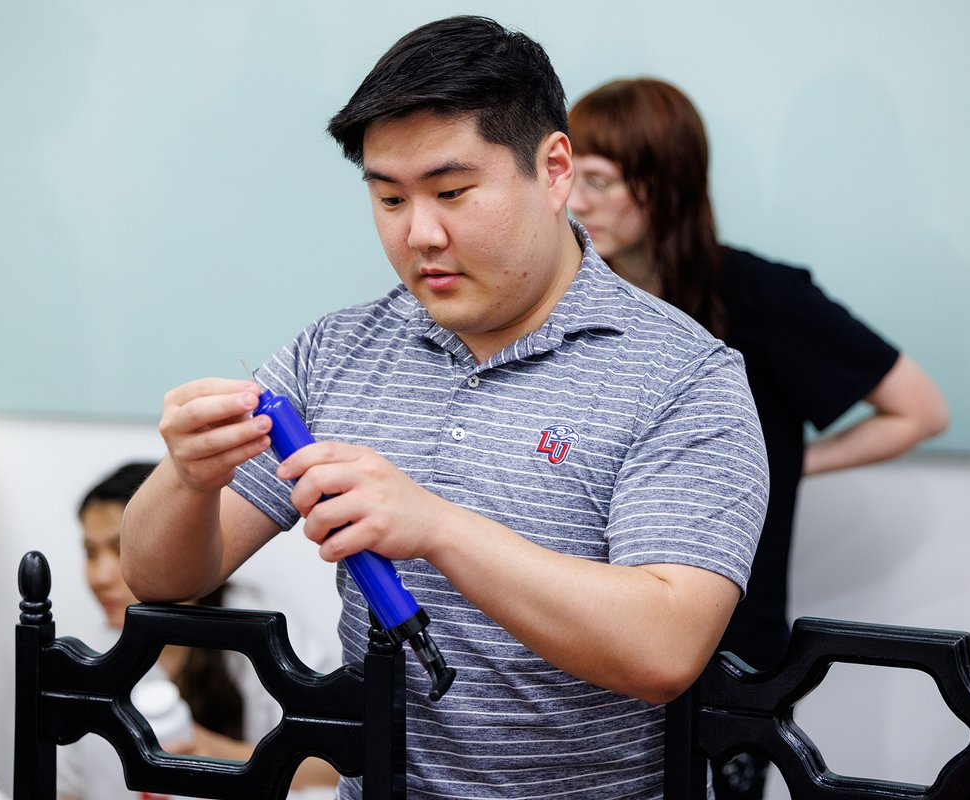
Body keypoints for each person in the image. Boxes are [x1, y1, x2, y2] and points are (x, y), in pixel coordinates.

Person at [121, 16, 769, 799]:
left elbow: (665, 649)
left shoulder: (682, 374)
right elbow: (159, 577)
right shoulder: (337, 350)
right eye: (389, 198)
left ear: (554, 168)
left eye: (453, 192)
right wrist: (186, 480)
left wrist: (436, 526)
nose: (419, 233)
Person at [566, 77, 950, 799]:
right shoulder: (574, 303)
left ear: (666, 182)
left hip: (730, 641)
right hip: (595, 636)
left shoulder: (761, 297)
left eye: (599, 181)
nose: (575, 203)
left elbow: (919, 410)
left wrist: (785, 465)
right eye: (568, 178)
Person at [60, 462, 338, 800]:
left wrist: (214, 751)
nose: (100, 576)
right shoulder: (92, 661)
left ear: (169, 546)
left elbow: (336, 764)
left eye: (120, 549)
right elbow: (68, 789)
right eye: (90, 553)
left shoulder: (259, 631)